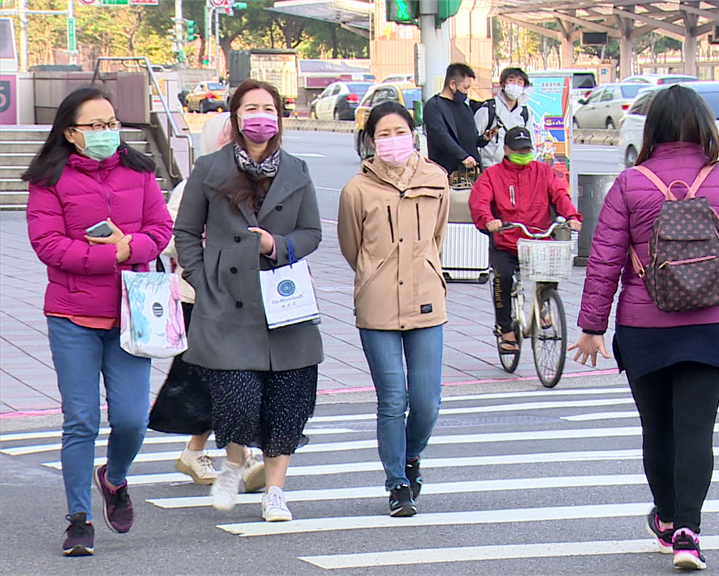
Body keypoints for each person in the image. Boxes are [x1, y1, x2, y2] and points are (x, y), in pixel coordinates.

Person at [569, 85, 719, 571]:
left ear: (652, 128)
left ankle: (666, 518)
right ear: (705, 127)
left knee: (658, 429)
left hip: (645, 324)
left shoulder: (630, 184)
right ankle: (688, 533)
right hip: (715, 326)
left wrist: (593, 325)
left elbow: (604, 260)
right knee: (697, 429)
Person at [23, 86, 174, 556]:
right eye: (96, 126)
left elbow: (161, 228)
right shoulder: (49, 178)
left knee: (131, 418)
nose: (108, 133)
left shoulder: (140, 170)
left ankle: (114, 477)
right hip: (72, 314)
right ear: (71, 133)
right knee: (81, 419)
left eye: (112, 124)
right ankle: (78, 519)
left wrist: (132, 248)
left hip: (132, 314)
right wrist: (110, 256)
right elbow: (48, 245)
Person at [174, 78, 324, 523]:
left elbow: (312, 233)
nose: (261, 116)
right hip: (225, 301)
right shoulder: (209, 167)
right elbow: (185, 232)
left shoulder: (296, 169)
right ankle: (235, 461)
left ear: (279, 117)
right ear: (236, 116)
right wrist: (203, 280)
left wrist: (275, 246)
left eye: (269, 108)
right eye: (251, 108)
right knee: (235, 398)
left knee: (289, 399)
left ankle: (274, 492)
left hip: (284, 299)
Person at [338, 101, 450, 517]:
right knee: (392, 398)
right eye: (382, 135)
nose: (392, 141)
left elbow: (436, 235)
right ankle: (397, 483)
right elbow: (353, 248)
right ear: (370, 141)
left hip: (426, 301)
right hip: (377, 304)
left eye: (399, 132)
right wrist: (375, 275)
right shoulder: (356, 190)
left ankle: (411, 454)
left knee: (427, 401)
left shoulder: (436, 179)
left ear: (413, 134)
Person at [162, 112, 265, 492]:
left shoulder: (255, 186)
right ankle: (240, 458)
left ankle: (203, 451)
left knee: (219, 377)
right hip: (200, 297)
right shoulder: (191, 186)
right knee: (220, 376)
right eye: (226, 140)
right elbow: (171, 237)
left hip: (242, 298)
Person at [469, 127, 582, 351]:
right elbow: (479, 202)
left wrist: (571, 216)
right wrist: (489, 220)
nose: (523, 153)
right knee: (503, 277)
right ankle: (505, 330)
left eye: (527, 149)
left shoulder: (543, 172)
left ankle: (544, 304)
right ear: (507, 150)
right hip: (506, 241)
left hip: (537, 238)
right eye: (518, 150)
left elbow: (560, 195)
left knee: (552, 266)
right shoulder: (492, 175)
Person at [422, 63, 487, 174]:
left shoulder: (465, 107)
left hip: (472, 172)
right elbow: (440, 136)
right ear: (452, 84)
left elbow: (471, 140)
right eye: (465, 87)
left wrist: (484, 139)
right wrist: (463, 156)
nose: (466, 92)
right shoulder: (434, 106)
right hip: (448, 172)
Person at [475, 67, 538, 169]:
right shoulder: (489, 109)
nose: (515, 85)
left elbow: (532, 141)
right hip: (490, 167)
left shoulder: (525, 112)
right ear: (502, 84)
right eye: (511, 80)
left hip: (517, 167)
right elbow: (474, 138)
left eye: (519, 82)